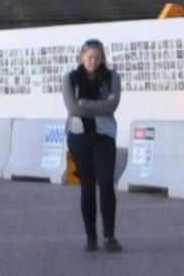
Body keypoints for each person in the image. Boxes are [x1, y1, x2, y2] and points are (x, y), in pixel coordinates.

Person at [63, 38, 122, 253]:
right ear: (81, 57)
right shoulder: (70, 78)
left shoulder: (112, 77)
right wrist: (98, 107)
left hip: (104, 135)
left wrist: (86, 104)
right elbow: (73, 108)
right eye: (89, 57)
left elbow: (113, 105)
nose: (93, 61)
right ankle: (91, 237)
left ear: (103, 58)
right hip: (79, 135)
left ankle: (110, 236)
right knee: (87, 187)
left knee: (106, 183)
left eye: (97, 57)